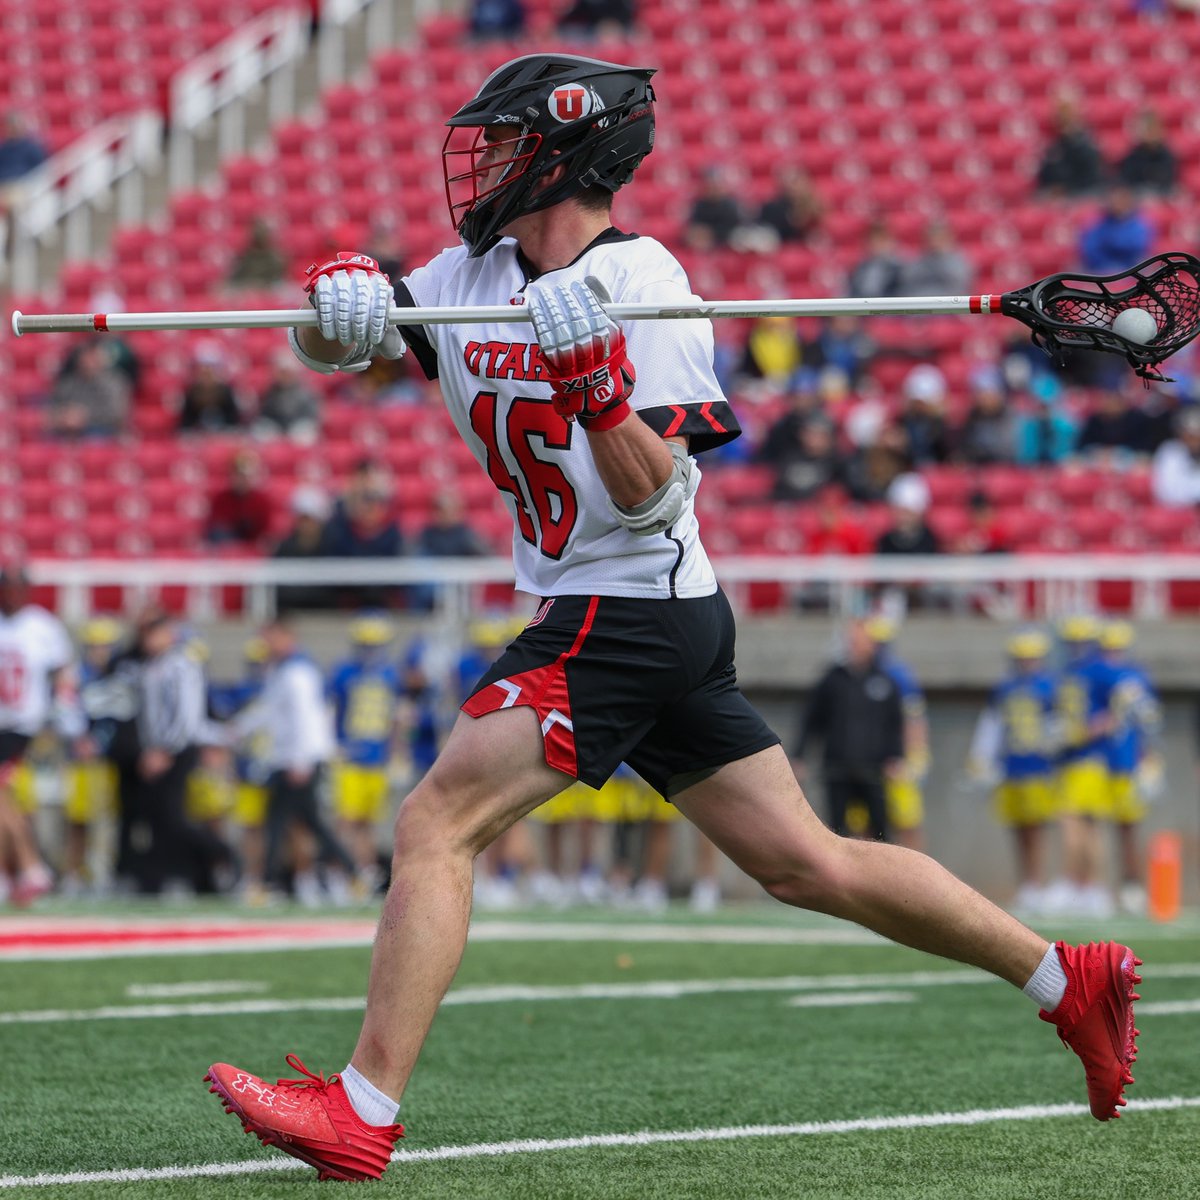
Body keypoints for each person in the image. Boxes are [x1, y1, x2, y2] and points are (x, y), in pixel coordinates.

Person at [205, 53, 1143, 1183]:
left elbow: (655, 492)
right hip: (631, 606)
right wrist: (334, 309)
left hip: (629, 600)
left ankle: (362, 1108)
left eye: (502, 145)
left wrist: (595, 387)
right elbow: (342, 346)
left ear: (564, 154)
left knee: (435, 822)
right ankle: (1067, 979)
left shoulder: (647, 280)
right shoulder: (467, 271)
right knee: (808, 864)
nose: (481, 166)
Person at [227, 614, 358, 904]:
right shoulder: (283, 670)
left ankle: (268, 883)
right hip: (291, 759)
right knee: (308, 822)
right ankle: (354, 873)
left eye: (269, 638)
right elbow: (268, 710)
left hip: (297, 760)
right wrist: (237, 728)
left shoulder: (297, 671)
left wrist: (300, 760)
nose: (265, 644)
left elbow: (304, 719)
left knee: (279, 822)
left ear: (286, 637)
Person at [0, 565, 85, 906]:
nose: (11, 594)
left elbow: (63, 675)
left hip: (26, 727)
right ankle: (17, 872)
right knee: (7, 801)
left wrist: (63, 717)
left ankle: (30, 867)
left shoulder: (42, 626)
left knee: (10, 800)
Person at [132, 612, 234, 895]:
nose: (147, 641)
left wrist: (165, 751)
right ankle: (188, 880)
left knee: (175, 818)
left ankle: (222, 852)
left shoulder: (180, 665)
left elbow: (186, 716)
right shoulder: (153, 666)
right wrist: (149, 750)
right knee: (160, 820)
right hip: (157, 752)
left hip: (176, 751)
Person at [967, 630, 1059, 917]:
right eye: (1023, 658)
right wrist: (982, 758)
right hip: (1011, 766)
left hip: (1039, 767)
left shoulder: (1051, 686)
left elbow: (1058, 726)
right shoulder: (1005, 688)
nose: (1027, 663)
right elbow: (992, 725)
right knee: (1017, 828)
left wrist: (1056, 756)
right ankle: (1027, 885)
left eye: (1031, 658)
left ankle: (1037, 882)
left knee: (1035, 828)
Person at [793, 618, 904, 843]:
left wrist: (896, 756)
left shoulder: (884, 681)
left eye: (861, 641)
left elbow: (894, 724)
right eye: (852, 640)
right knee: (837, 831)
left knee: (880, 829)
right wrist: (799, 756)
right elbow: (811, 720)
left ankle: (880, 867)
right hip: (838, 769)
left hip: (873, 770)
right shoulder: (832, 680)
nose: (855, 646)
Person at [327, 615, 404, 891]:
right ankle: (338, 874)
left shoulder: (391, 674)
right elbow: (330, 710)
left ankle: (364, 875)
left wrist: (397, 753)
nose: (370, 650)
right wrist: (332, 744)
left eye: (374, 645)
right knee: (346, 821)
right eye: (365, 644)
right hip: (349, 757)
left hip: (377, 759)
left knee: (368, 824)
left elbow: (396, 719)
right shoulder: (344, 672)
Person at [1098, 622, 1162, 916]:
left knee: (1128, 828)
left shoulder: (1136, 677)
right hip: (1099, 762)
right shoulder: (1094, 675)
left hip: (1127, 763)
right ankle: (1098, 887)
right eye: (1109, 650)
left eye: (1117, 649)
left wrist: (1149, 760)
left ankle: (1131, 885)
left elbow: (1150, 723)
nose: (1113, 655)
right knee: (1094, 827)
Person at [60, 617, 124, 896]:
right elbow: (64, 709)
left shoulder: (120, 677)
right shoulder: (76, 675)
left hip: (107, 759)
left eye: (105, 646)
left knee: (106, 821)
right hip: (79, 760)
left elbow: (119, 717)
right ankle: (73, 873)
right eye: (95, 646)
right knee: (77, 820)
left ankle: (101, 872)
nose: (100, 652)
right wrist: (79, 738)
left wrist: (98, 742)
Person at [864, 616, 929, 853]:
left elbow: (914, 718)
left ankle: (916, 874)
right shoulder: (858, 674)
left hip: (898, 758)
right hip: (868, 759)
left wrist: (916, 756)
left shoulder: (901, 676)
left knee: (906, 822)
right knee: (864, 825)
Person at [47, 340, 131, 439]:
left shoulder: (114, 382)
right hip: (67, 430)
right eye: (86, 357)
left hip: (103, 430)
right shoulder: (68, 383)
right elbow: (54, 407)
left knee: (94, 438)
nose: (89, 362)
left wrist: (85, 417)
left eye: (92, 358)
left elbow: (116, 413)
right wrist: (63, 417)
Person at [271, 485, 335, 610]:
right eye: (303, 519)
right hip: (290, 612)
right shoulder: (285, 548)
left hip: (324, 613)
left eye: (310, 519)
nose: (306, 524)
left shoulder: (331, 547)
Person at [1035, 91, 1106, 197]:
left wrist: (1073, 138)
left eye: (1068, 111)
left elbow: (1092, 173)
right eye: (1061, 112)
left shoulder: (1087, 141)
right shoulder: (1054, 144)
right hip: (1061, 195)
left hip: (1085, 192)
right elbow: (1046, 175)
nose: (1065, 116)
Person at [1078, 186, 1153, 278]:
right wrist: (1106, 266)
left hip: (1130, 271)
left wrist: (1111, 242)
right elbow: (1090, 249)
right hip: (1101, 271)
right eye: (1113, 200)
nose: (1117, 203)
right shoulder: (1098, 223)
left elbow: (1138, 247)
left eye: (1121, 199)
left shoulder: (1139, 224)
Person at [204, 450, 274, 547]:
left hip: (253, 544)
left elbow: (265, 530)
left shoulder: (261, 500)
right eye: (238, 475)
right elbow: (216, 526)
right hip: (227, 544)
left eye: (245, 476)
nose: (241, 480)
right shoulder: (221, 499)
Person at [252, 350, 321, 442]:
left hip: (298, 428)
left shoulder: (306, 392)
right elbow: (264, 414)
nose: (284, 376)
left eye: (287, 373)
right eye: (282, 373)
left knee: (305, 434)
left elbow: (310, 415)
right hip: (275, 428)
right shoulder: (269, 391)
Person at [177, 343, 243, 433]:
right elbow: (186, 425)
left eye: (211, 371)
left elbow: (233, 423)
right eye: (204, 371)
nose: (207, 375)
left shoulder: (226, 392)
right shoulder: (192, 393)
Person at [900, 218, 973, 297]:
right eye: (931, 238)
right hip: (921, 300)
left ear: (948, 238)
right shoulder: (918, 260)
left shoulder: (960, 260)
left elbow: (958, 280)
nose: (934, 242)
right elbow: (908, 279)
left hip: (948, 301)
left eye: (940, 238)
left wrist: (942, 256)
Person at [1115, 109, 1178, 197]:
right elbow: (1127, 184)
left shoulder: (1167, 156)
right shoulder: (1132, 157)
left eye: (1153, 128)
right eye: (1148, 129)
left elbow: (1169, 183)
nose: (1151, 132)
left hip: (1161, 198)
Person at [754, 167, 824, 246]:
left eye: (798, 181)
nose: (796, 186)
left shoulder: (814, 204)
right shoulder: (772, 208)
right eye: (793, 182)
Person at [683, 167, 746, 251]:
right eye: (711, 186)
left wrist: (710, 233)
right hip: (704, 243)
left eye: (716, 186)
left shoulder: (730, 206)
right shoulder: (700, 205)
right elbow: (693, 225)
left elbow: (734, 230)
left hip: (726, 244)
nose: (714, 189)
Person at [1151, 406, 1200, 507]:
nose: (1194, 440)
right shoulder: (1170, 451)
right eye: (1190, 435)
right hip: (1173, 510)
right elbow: (1164, 492)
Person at [847, 219, 906, 298]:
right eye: (875, 240)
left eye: (883, 240)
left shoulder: (901, 269)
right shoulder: (860, 268)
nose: (879, 245)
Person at [227, 218, 287, 290]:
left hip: (268, 290)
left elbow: (277, 279)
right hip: (246, 290)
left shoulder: (275, 258)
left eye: (262, 233)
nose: (258, 235)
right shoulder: (244, 256)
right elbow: (235, 279)